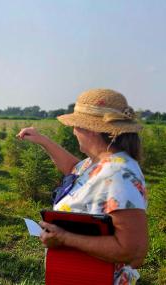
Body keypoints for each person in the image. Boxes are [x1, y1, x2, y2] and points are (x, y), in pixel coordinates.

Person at [17, 89, 148, 284]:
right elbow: (74, 169)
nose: (73, 131)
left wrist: (64, 238)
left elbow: (132, 250)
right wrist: (42, 140)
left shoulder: (118, 175)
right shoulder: (98, 162)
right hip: (79, 273)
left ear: (92, 129)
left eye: (76, 126)